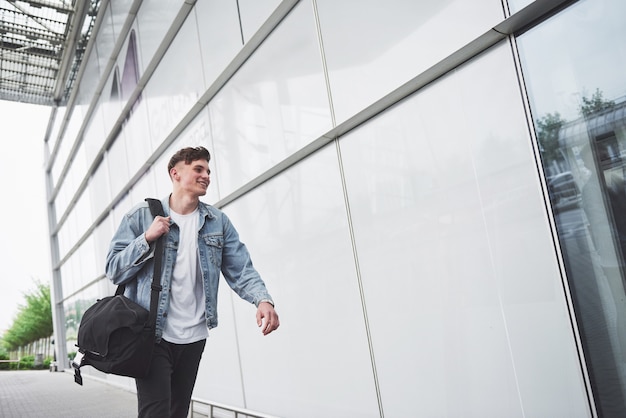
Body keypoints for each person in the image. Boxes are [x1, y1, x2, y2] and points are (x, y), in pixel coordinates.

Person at [105, 146, 279, 418]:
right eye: (198, 169)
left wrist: (263, 299)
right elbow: (114, 269)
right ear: (175, 173)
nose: (206, 175)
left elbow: (240, 268)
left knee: (177, 413)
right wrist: (146, 239)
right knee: (156, 413)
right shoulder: (142, 216)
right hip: (153, 334)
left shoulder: (217, 222)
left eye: (208, 170)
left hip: (194, 337)